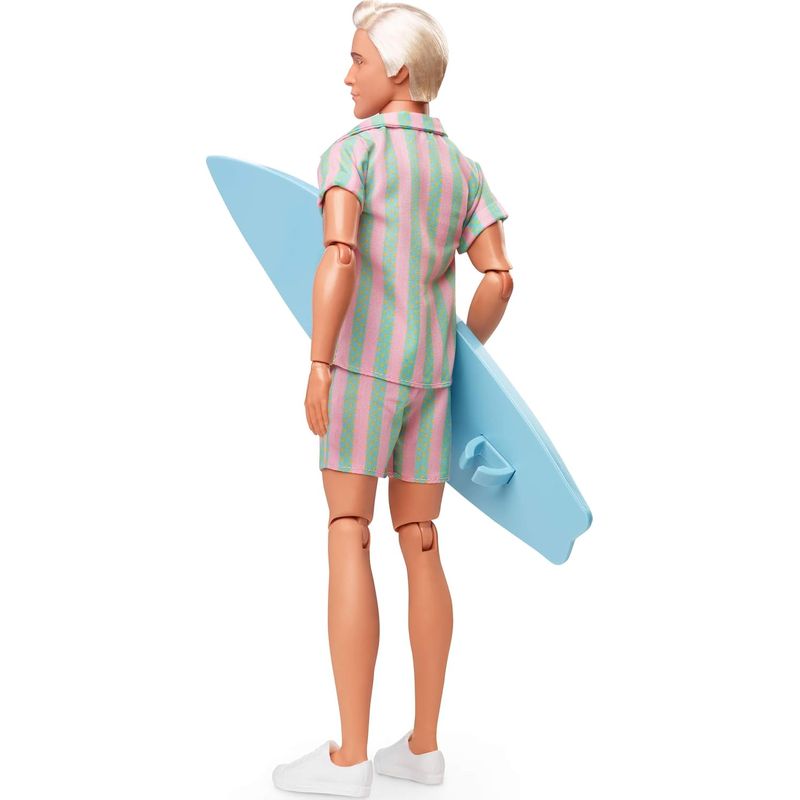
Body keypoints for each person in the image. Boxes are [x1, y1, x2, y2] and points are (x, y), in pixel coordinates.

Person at [273, 1, 513, 795]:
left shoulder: (355, 152)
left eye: (358, 60)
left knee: (350, 531)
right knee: (422, 542)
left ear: (398, 70)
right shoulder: (462, 169)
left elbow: (339, 256)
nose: (348, 76)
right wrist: (464, 354)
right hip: (432, 381)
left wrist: (319, 362)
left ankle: (349, 758)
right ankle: (424, 747)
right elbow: (498, 276)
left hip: (364, 373)